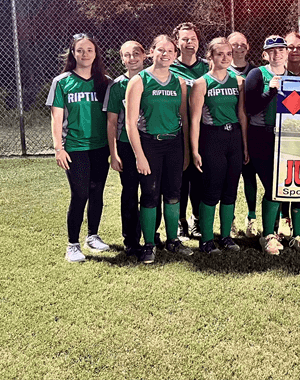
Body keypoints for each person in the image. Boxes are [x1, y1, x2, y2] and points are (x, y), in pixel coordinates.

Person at [125, 35, 194, 264]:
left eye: (170, 51)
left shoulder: (179, 82)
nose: (165, 54)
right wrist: (139, 156)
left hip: (173, 143)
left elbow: (183, 117)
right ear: (151, 52)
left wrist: (185, 150)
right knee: (150, 194)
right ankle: (149, 244)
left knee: (174, 194)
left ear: (175, 56)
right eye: (160, 50)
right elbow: (130, 123)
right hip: (150, 143)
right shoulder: (139, 81)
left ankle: (173, 240)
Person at [245, 35, 300, 255]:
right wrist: (271, 90)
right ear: (265, 54)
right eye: (272, 51)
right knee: (273, 186)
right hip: (262, 136)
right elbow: (251, 108)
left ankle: (297, 235)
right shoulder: (257, 74)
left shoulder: (294, 78)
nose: (277, 54)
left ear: (286, 53)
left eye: (281, 50)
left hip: (288, 138)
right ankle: (268, 235)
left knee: (296, 185)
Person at [47, 33, 112, 263]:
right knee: (80, 194)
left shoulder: (105, 81)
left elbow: (112, 118)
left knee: (97, 192)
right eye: (80, 50)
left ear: (96, 53)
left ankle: (92, 236)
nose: (84, 54)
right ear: (72, 53)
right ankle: (72, 245)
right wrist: (58, 148)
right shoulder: (62, 81)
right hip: (75, 146)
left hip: (99, 146)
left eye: (89, 50)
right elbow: (56, 118)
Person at [189, 37, 249, 254]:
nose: (225, 58)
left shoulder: (238, 81)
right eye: (220, 54)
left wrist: (244, 145)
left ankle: (226, 237)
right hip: (211, 138)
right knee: (211, 190)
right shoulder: (201, 83)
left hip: (233, 138)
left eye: (228, 54)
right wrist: (194, 150)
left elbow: (242, 115)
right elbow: (195, 119)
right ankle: (206, 240)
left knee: (230, 190)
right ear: (210, 57)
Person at [104, 40, 146, 258]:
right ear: (122, 59)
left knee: (151, 192)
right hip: (126, 145)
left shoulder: (153, 80)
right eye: (127, 55)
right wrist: (114, 153)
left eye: (136, 54)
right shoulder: (117, 85)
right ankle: (131, 239)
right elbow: (111, 122)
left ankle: (150, 234)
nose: (132, 58)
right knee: (130, 191)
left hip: (150, 144)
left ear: (145, 55)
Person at [170, 22, 210, 239]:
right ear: (177, 42)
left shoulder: (206, 67)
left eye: (193, 38)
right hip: (177, 129)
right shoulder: (170, 67)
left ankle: (196, 219)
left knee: (199, 177)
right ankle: (180, 220)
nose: (189, 42)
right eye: (184, 39)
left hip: (203, 129)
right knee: (180, 178)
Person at [276, 31, 300, 240]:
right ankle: (283, 218)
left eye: (299, 47)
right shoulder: (277, 72)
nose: (294, 50)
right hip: (282, 133)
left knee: (297, 177)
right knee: (281, 177)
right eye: (290, 47)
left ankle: (295, 220)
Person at [227, 31, 260, 238]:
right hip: (227, 129)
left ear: (248, 47)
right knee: (227, 179)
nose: (238, 48)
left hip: (252, 128)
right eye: (234, 44)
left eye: (243, 44)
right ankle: (228, 220)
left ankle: (251, 218)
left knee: (249, 175)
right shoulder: (219, 70)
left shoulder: (256, 71)